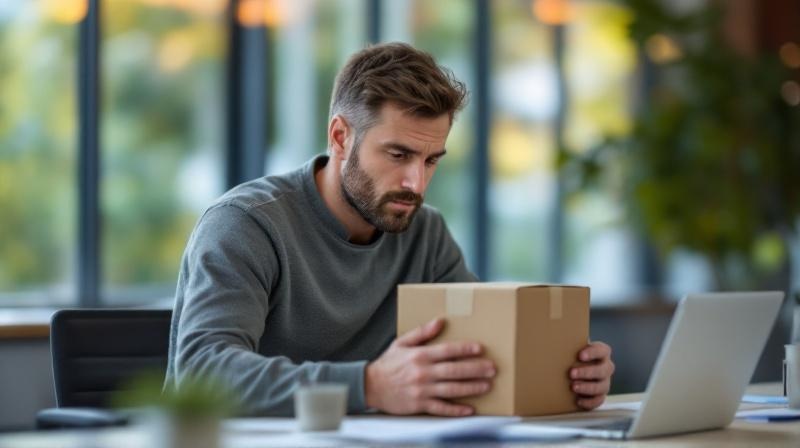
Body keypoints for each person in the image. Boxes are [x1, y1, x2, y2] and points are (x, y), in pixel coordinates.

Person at [165, 42, 614, 417]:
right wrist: (370, 385)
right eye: (398, 155)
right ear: (341, 137)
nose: (416, 184)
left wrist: (567, 374)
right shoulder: (248, 224)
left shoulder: (425, 234)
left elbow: (481, 355)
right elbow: (203, 373)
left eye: (432, 160)